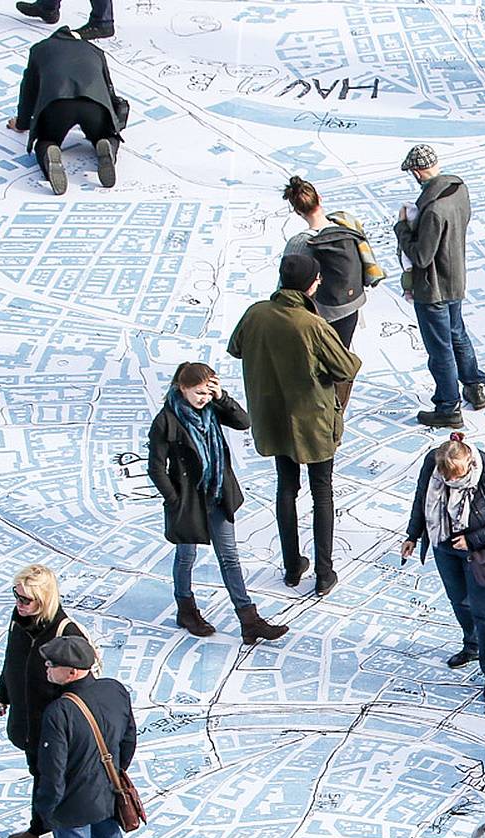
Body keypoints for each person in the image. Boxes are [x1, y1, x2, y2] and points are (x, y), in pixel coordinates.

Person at [226, 252, 362, 596]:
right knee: (322, 492)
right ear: (311, 284)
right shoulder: (311, 324)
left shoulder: (257, 313)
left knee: (286, 488)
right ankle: (323, 572)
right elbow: (345, 368)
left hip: (272, 417)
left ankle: (291, 567)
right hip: (313, 421)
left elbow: (236, 347)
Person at [150, 363, 286, 643]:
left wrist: (221, 397)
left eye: (207, 393)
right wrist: (174, 499)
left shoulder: (213, 409)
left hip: (217, 495)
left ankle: (249, 620)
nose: (203, 398)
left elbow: (243, 421)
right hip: (188, 502)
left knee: (230, 557)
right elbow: (156, 467)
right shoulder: (166, 420)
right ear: (182, 388)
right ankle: (186, 610)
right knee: (186, 556)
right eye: (198, 392)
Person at [33, 633, 138, 838]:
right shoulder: (115, 690)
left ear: (73, 672)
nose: (47, 669)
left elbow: (53, 770)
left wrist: (47, 809)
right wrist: (114, 774)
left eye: (53, 666)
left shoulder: (59, 711)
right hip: (109, 794)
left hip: (73, 806)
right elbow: (129, 739)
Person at [400, 436, 485, 703]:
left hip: (478, 553)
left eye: (456, 477)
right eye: (446, 477)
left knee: (483, 611)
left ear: (468, 464)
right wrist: (412, 535)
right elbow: (422, 498)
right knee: (459, 601)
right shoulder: (433, 463)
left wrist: (472, 540)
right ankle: (472, 644)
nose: (451, 482)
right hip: (443, 545)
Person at [0, 566, 93, 838]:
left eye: (25, 600)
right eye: (16, 596)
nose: (18, 604)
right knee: (40, 776)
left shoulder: (66, 632)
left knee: (67, 785)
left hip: (56, 726)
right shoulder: (19, 622)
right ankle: (40, 826)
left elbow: (83, 683)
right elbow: (11, 661)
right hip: (28, 723)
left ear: (44, 599)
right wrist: (3, 695)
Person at [394, 145, 485, 428]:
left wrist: (401, 229)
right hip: (455, 277)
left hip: (433, 287)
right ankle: (473, 386)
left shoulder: (433, 209)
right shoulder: (459, 189)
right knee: (458, 333)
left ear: (418, 170)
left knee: (440, 348)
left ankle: (448, 406)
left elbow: (422, 256)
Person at [8, 22, 121, 194]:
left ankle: (50, 151)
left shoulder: (40, 49)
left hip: (57, 106)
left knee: (47, 139)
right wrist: (114, 123)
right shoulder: (94, 51)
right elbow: (108, 88)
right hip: (94, 104)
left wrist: (22, 123)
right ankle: (106, 146)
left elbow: (28, 91)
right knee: (105, 135)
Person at [281, 176, 385, 360]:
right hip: (351, 305)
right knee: (341, 359)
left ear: (297, 211)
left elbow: (286, 285)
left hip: (321, 313)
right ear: (319, 198)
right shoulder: (347, 223)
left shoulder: (300, 243)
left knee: (319, 363)